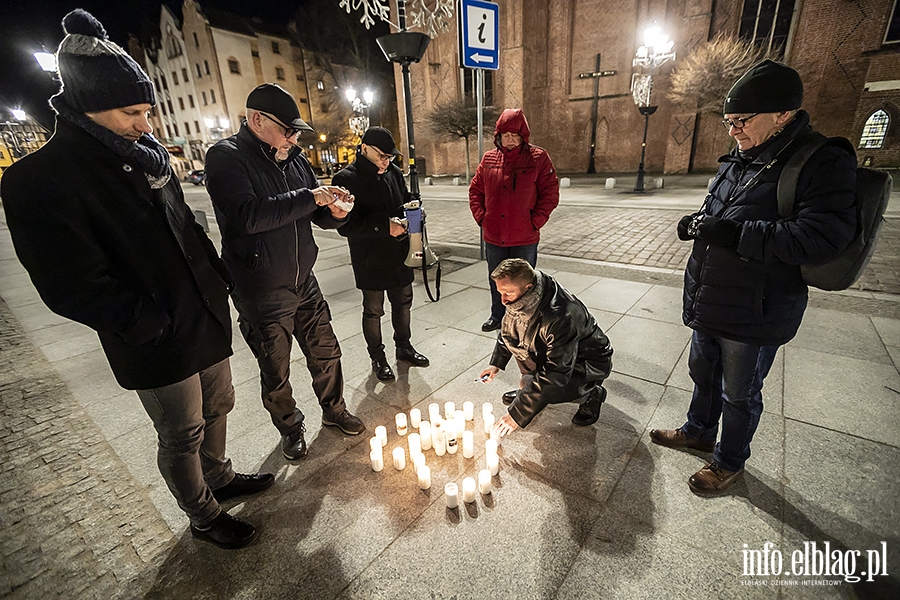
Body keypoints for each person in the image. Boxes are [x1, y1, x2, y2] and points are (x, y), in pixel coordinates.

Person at [0, 9, 272, 550]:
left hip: (202, 313)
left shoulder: (147, 158)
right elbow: (67, 282)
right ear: (86, 107)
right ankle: (203, 513)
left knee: (220, 405)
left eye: (147, 110)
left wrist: (219, 279)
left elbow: (184, 226)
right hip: (154, 333)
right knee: (181, 430)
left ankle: (220, 476)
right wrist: (143, 322)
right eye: (131, 112)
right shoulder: (41, 178)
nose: (146, 125)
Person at [650, 60, 857, 495]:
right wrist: (698, 222)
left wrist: (735, 233)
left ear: (783, 114)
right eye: (729, 121)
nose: (733, 130)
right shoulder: (741, 157)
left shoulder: (821, 160)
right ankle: (699, 431)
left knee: (739, 391)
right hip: (711, 296)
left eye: (742, 120)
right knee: (703, 373)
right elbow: (722, 212)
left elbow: (821, 236)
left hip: (758, 305)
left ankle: (728, 461)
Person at [205, 83, 365, 462]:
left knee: (326, 351)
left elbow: (316, 215)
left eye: (296, 131)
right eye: (287, 129)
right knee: (275, 370)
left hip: (303, 279)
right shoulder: (226, 157)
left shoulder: (295, 160)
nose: (294, 138)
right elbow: (248, 216)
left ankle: (334, 409)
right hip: (260, 286)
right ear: (256, 119)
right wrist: (312, 197)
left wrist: (337, 211)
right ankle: (290, 427)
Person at [332, 127, 430, 381]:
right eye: (381, 156)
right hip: (369, 258)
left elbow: (405, 198)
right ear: (364, 148)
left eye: (390, 157)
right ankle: (377, 357)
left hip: (399, 253)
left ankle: (404, 347)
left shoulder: (393, 172)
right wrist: (383, 226)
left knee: (403, 301)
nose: (386, 162)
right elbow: (346, 226)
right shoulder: (346, 178)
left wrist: (415, 210)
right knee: (373, 310)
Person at [478, 259, 613, 435]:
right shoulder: (524, 295)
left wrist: (517, 414)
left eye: (507, 294)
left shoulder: (559, 316)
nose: (503, 300)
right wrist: (495, 364)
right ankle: (531, 394)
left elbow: (556, 373)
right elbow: (509, 331)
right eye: (500, 293)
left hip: (586, 361)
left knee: (553, 388)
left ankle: (591, 394)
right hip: (552, 351)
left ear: (527, 287)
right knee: (530, 383)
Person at [469, 109, 560, 333]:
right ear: (498, 136)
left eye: (515, 134)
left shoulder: (538, 158)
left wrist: (535, 221)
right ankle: (497, 316)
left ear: (523, 136)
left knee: (524, 282)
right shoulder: (489, 159)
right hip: (494, 236)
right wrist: (482, 218)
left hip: (524, 236)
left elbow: (550, 193)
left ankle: (524, 319)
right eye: (505, 134)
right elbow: (475, 191)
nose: (509, 139)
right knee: (497, 280)